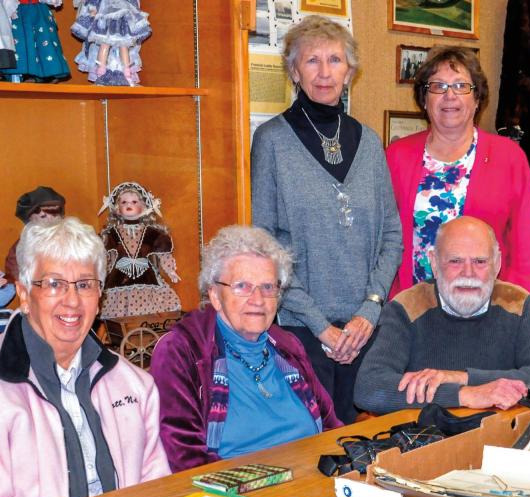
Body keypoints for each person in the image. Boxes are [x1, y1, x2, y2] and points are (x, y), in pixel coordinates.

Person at [0, 217, 170, 497]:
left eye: (85, 284)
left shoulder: (134, 385)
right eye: (54, 284)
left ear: (100, 297)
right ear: (24, 294)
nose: (72, 301)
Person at [251, 15, 402, 424]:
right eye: (311, 60)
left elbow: (392, 233)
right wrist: (322, 327)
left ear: (350, 71)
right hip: (302, 329)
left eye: (334, 60)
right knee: (311, 441)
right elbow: (266, 246)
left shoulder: (369, 143)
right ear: (294, 71)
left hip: (365, 330)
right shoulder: (271, 143)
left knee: (360, 442)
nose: (324, 72)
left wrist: (368, 313)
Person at [151, 226, 342, 473]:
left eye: (268, 287)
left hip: (312, 481)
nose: (258, 299)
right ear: (215, 295)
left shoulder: (288, 346)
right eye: (242, 286)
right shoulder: (182, 352)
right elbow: (187, 462)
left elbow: (331, 428)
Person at [355, 217, 530, 414]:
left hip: (501, 441)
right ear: (435, 263)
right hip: (430, 446)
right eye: (455, 261)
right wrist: (465, 394)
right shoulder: (406, 307)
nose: (468, 273)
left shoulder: (517, 304)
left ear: (497, 264)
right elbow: (369, 388)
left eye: (480, 262)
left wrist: (463, 377)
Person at [386, 45, 530, 296]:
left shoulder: (510, 158)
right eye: (438, 86)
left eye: (460, 86)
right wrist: (394, 303)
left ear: (477, 99)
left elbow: (526, 249)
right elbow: (383, 241)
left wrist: (508, 308)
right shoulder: (396, 156)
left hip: (485, 312)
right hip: (411, 311)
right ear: (424, 100)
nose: (449, 95)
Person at [97, 181, 182, 319]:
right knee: (118, 308)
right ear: (117, 209)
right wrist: (101, 275)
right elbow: (107, 258)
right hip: (119, 277)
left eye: (134, 202)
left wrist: (170, 270)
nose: (129, 205)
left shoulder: (151, 232)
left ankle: (144, 325)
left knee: (150, 305)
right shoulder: (111, 233)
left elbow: (163, 254)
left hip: (146, 277)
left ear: (144, 207)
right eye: (124, 202)